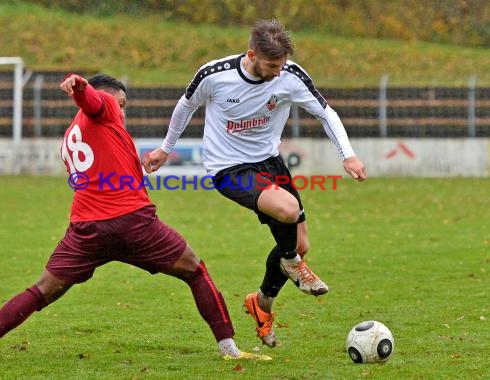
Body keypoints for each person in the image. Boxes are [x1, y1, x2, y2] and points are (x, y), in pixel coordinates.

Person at [0, 73, 271, 361]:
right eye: (122, 103)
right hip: (133, 222)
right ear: (108, 98)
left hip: (86, 230)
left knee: (41, 291)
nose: (122, 111)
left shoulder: (71, 136)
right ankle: (230, 350)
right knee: (196, 270)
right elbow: (94, 100)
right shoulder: (103, 107)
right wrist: (80, 85)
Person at [143, 19, 366, 348]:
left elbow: (325, 112)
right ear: (251, 54)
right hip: (228, 168)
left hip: (270, 162)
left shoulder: (290, 75)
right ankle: (293, 264)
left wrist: (347, 155)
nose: (278, 72)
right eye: (272, 65)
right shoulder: (215, 75)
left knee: (301, 243)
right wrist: (166, 148)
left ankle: (262, 303)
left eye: (282, 65)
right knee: (288, 211)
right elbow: (186, 105)